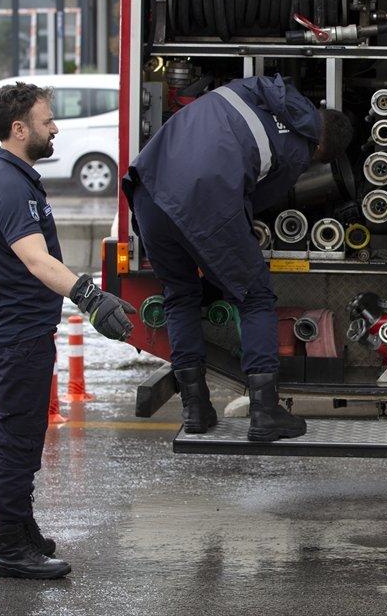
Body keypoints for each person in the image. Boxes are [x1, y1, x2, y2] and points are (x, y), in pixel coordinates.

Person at [123, 73, 352, 443]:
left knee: (180, 295)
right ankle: (264, 412)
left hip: (148, 191)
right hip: (202, 201)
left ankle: (195, 409)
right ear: (322, 150)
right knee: (255, 295)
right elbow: (247, 208)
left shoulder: (260, 89)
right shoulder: (299, 149)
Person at [0, 82, 137, 579]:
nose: (55, 128)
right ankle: (9, 550)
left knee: (24, 437)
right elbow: (35, 258)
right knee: (18, 443)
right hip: (14, 332)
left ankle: (22, 531)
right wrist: (88, 296)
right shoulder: (6, 183)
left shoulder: (6, 174)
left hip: (17, 328)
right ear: (19, 129)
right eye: (47, 121)